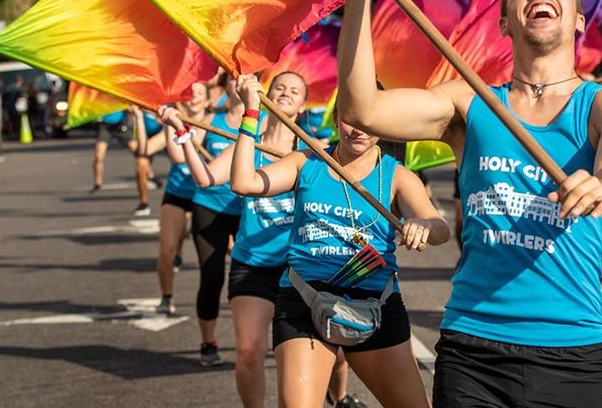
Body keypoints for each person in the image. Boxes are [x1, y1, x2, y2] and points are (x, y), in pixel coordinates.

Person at [327, 0, 602, 406]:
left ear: (580, 20)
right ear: (503, 21)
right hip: (472, 350)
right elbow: (362, 111)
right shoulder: (468, 103)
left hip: (574, 352)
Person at [231, 76, 450, 408]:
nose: (359, 129)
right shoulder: (306, 163)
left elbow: (440, 228)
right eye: (351, 118)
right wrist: (251, 111)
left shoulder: (397, 175)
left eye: (368, 119)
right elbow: (244, 182)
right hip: (303, 301)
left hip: (376, 304)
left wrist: (423, 224)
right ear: (336, 119)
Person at [162, 73, 362, 407]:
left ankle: (339, 399)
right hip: (252, 266)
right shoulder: (247, 148)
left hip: (302, 271)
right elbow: (205, 177)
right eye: (279, 88)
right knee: (249, 350)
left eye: (294, 91)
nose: (285, 93)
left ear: (300, 108)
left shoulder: (313, 155)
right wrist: (180, 132)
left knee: (337, 351)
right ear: (265, 97)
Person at [159, 73, 244, 366]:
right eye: (234, 79)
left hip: (250, 211)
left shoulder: (265, 122)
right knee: (212, 277)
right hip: (210, 207)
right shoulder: (210, 121)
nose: (240, 84)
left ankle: (258, 342)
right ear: (225, 87)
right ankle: (208, 342)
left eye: (247, 79)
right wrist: (174, 124)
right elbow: (180, 157)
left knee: (252, 279)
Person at [155, 82, 209, 317]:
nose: (193, 98)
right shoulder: (175, 118)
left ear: (208, 101)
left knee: (231, 251)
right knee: (167, 248)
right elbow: (177, 157)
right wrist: (172, 122)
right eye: (189, 93)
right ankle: (166, 297)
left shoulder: (217, 124)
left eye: (199, 94)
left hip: (207, 197)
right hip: (178, 192)